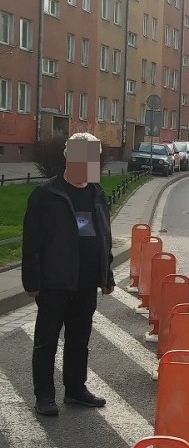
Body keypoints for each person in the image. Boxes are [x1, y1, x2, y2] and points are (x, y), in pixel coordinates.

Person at [22, 132, 115, 416]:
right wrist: (32, 281)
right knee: (47, 341)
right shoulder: (46, 194)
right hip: (54, 282)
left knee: (79, 340)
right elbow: (32, 241)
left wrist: (106, 274)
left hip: (85, 283)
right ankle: (45, 396)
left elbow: (104, 236)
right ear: (68, 158)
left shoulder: (97, 193)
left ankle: (75, 390)